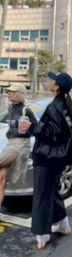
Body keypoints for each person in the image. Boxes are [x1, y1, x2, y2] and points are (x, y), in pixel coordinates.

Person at [29, 72, 72, 250]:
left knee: (42, 193)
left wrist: (33, 125)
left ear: (57, 86)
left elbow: (51, 134)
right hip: (61, 158)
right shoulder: (70, 106)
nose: (50, 82)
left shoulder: (54, 107)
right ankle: (62, 223)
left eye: (52, 80)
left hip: (46, 158)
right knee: (50, 190)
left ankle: (42, 234)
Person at [0, 83, 37, 213]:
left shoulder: (26, 111)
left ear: (19, 94)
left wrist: (29, 127)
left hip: (20, 145)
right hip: (11, 143)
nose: (9, 93)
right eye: (9, 91)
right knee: (1, 178)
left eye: (13, 91)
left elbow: (37, 128)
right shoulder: (10, 108)